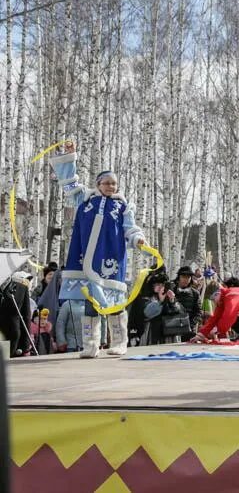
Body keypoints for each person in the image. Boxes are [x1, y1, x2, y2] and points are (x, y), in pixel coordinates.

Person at [49, 140, 147, 357]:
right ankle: (90, 345)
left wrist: (138, 240)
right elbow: (68, 182)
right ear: (98, 184)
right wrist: (71, 155)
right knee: (90, 303)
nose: (111, 187)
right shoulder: (84, 199)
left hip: (110, 258)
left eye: (114, 183)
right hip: (84, 258)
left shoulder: (123, 206)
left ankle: (120, 342)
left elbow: (130, 229)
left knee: (114, 302)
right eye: (106, 183)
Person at [191, 276, 239, 343]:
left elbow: (229, 315)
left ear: (218, 292)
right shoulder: (223, 300)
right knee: (227, 314)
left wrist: (216, 330)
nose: (213, 301)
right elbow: (214, 318)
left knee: (233, 312)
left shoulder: (231, 294)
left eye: (213, 297)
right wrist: (201, 334)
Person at [142, 275, 185, 345]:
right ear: (152, 286)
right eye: (157, 284)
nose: (160, 287)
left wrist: (172, 301)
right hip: (153, 333)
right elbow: (147, 313)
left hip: (170, 334)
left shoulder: (170, 296)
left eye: (163, 285)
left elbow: (181, 313)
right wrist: (160, 302)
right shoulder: (148, 297)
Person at [172, 266, 202, 341]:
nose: (186, 279)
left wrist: (191, 324)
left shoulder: (195, 293)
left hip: (188, 329)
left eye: (188, 277)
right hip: (171, 328)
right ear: (179, 277)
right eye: (183, 276)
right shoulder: (172, 291)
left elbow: (198, 312)